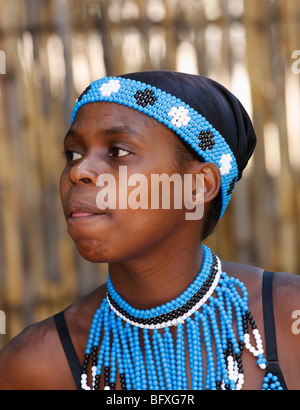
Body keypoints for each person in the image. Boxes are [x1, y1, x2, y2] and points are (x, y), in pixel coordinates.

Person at [0, 71, 299, 390]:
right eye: (73, 153)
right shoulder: (35, 365)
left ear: (198, 186)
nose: (79, 171)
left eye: (117, 151)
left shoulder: (287, 319)